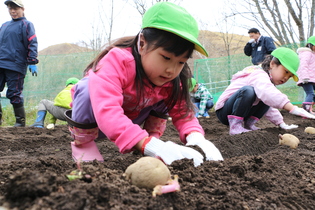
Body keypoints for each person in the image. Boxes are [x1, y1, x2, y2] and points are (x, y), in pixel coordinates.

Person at [64, 2, 223, 167]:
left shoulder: (171, 79)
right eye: (166, 58)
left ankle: (149, 138)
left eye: (181, 62)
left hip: (133, 120)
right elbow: (107, 110)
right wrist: (148, 145)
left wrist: (196, 137)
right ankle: (83, 144)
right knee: (87, 87)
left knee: (169, 92)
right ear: (142, 43)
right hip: (96, 121)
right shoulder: (117, 61)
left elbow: (183, 113)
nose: (171, 70)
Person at [215, 47, 315, 135]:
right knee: (249, 91)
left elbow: (270, 102)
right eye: (286, 72)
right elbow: (267, 92)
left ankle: (249, 124)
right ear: (272, 64)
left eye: (289, 77)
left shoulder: (268, 84)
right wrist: (292, 108)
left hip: (242, 112)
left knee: (266, 98)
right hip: (225, 112)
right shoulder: (258, 74)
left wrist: (281, 123)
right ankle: (235, 127)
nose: (285, 78)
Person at [0, 0, 39, 127]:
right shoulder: (4, 25)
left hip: (15, 65)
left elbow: (32, 43)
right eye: (10, 8)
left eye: (15, 8)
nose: (12, 11)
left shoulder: (26, 24)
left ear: (22, 8)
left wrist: (32, 61)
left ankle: (20, 123)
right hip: (1, 63)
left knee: (14, 94)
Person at [296, 36, 315, 114]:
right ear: (310, 45)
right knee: (310, 93)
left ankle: (308, 108)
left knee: (311, 94)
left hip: (312, 78)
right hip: (306, 78)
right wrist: (305, 77)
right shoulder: (307, 53)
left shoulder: (313, 54)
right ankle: (306, 110)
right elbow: (303, 65)